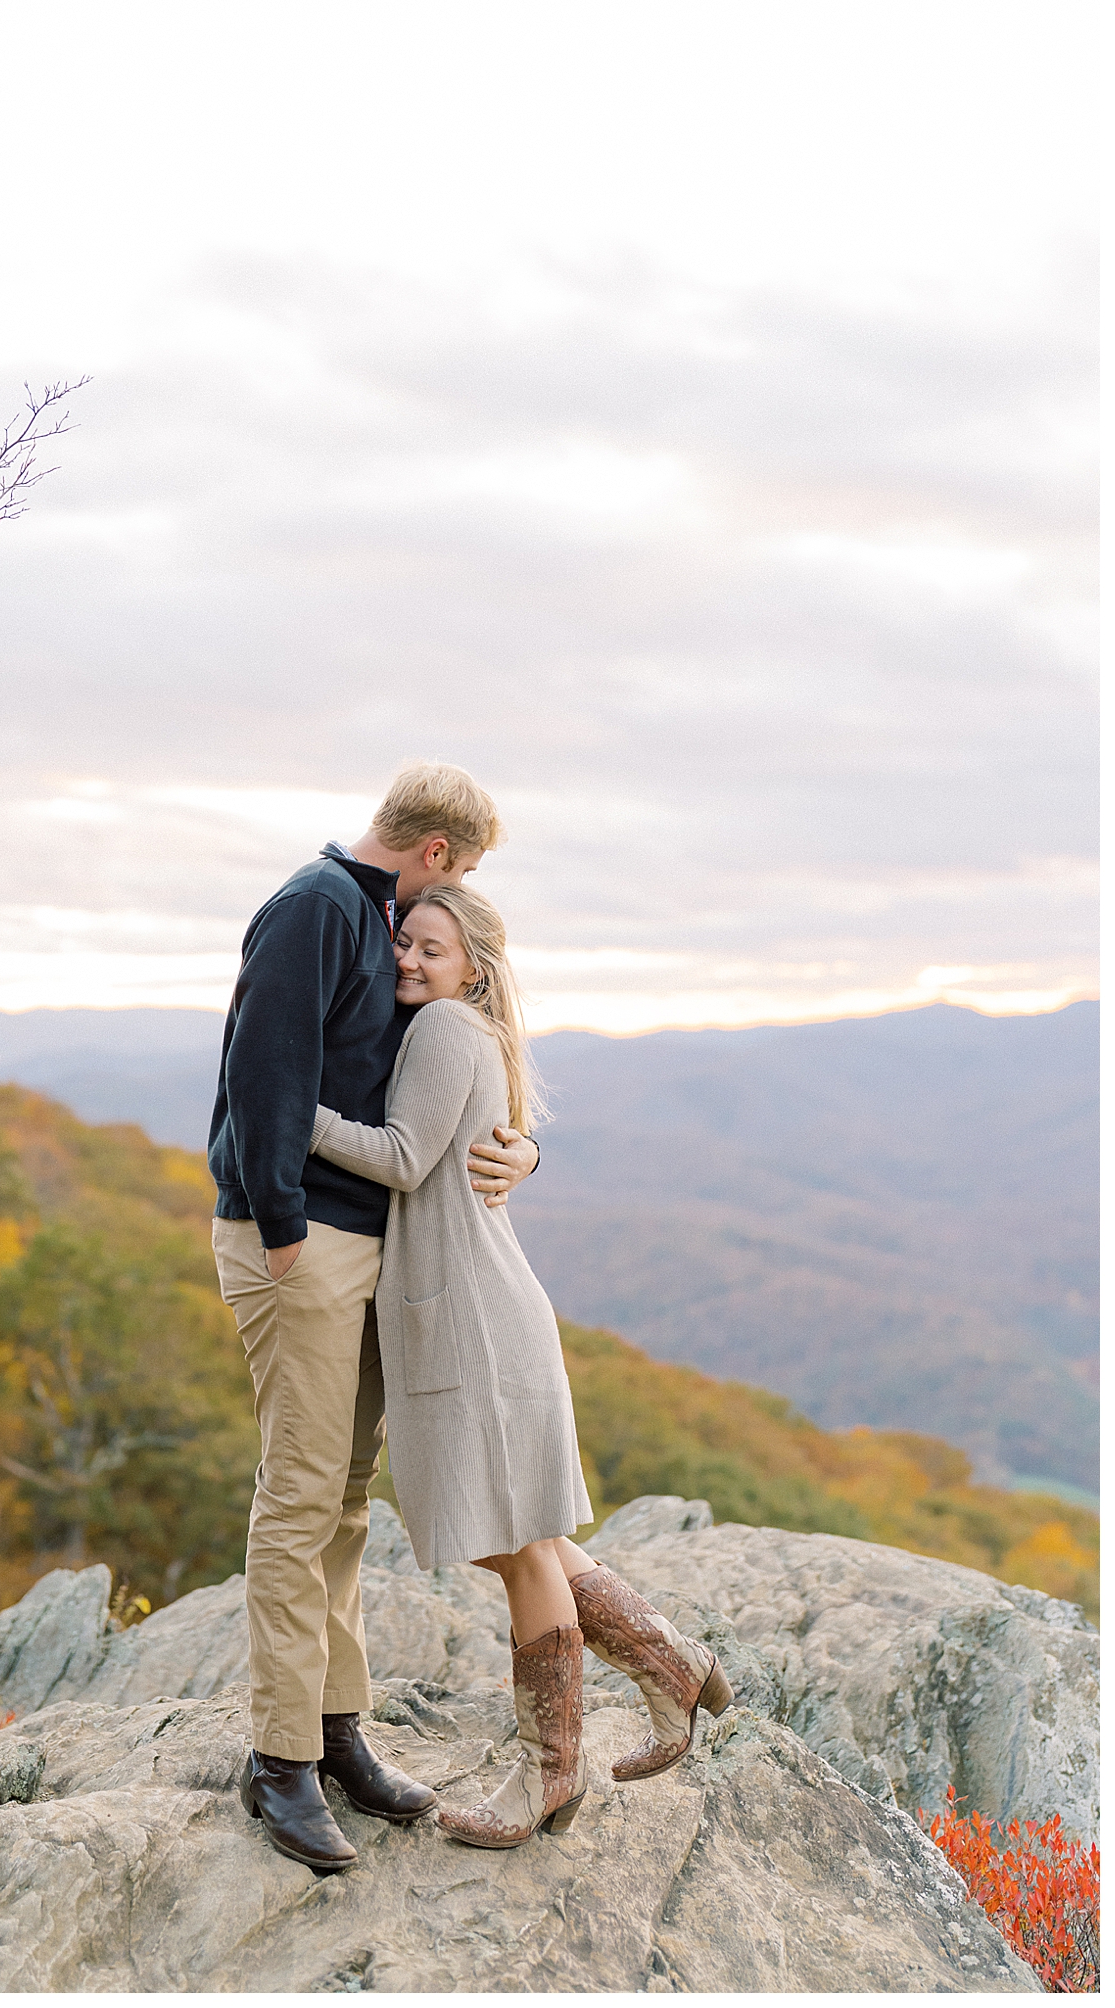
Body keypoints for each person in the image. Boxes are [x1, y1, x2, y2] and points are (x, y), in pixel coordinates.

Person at [308, 883, 734, 1850]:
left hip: (475, 1324)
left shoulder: (445, 1032)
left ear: (474, 968)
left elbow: (406, 1157)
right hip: (469, 1312)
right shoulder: (466, 1031)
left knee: (521, 1547)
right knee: (518, 1535)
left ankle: (550, 1772)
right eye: (404, 944)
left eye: (432, 949)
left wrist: (296, 1116)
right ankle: (672, 1665)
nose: (411, 960)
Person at [209, 762, 542, 1871]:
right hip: (302, 1243)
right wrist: (280, 1222)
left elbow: (453, 1085)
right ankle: (277, 1760)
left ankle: (334, 1728)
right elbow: (263, 1068)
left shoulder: (372, 925)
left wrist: (521, 1147)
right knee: (301, 1494)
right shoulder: (316, 908)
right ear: (437, 854)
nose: (418, 939)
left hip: (369, 1246)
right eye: (463, 873)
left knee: (344, 1498)